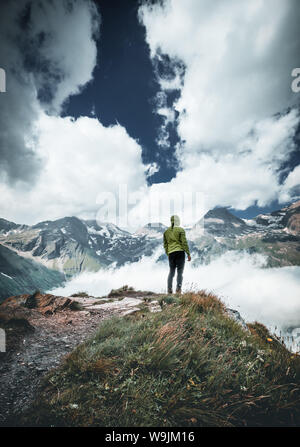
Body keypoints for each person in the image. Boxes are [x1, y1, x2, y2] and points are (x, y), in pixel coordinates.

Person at [163, 215, 191, 294]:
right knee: (180, 272)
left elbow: (165, 245)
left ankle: (169, 289)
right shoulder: (180, 230)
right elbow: (184, 242)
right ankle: (178, 290)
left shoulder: (166, 232)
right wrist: (188, 253)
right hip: (180, 253)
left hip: (171, 254)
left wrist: (168, 253)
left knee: (171, 272)